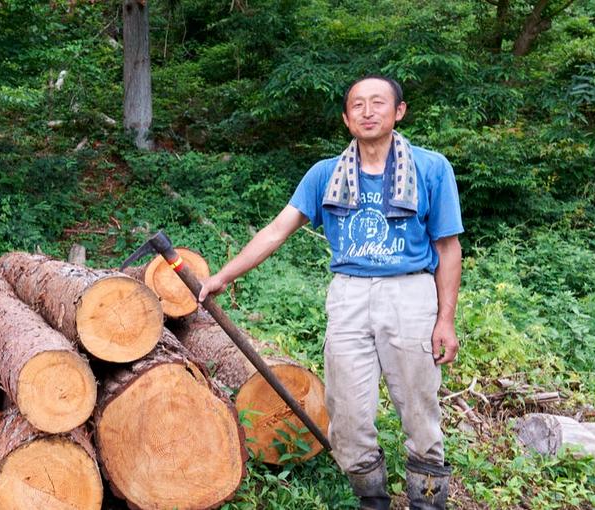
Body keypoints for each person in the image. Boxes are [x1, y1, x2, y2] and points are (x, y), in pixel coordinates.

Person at [197, 75, 462, 510]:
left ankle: (427, 502)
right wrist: (223, 276)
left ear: (399, 111)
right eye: (358, 104)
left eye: (378, 103)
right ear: (346, 118)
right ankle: (372, 501)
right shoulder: (325, 174)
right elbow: (277, 230)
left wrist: (445, 320)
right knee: (347, 415)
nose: (368, 112)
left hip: (411, 294)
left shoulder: (431, 168)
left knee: (420, 410)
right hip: (349, 297)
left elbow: (448, 248)